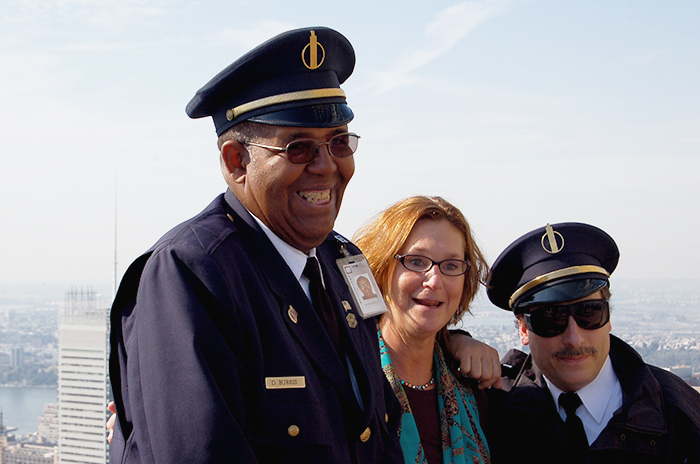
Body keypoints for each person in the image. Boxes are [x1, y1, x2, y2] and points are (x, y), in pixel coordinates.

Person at [108, 27, 498, 464]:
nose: (326, 166)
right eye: (298, 148)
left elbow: (376, 427)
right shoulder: (193, 273)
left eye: (338, 142)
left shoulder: (342, 260)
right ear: (237, 161)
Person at [484, 222, 700, 464]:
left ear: (608, 318)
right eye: (551, 319)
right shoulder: (492, 411)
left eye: (589, 313)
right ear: (523, 328)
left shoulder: (679, 415)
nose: (574, 339)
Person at [353, 196, 491, 464]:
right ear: (381, 270)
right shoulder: (349, 384)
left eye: (451, 266)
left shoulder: (475, 394)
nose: (435, 280)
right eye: (416, 261)